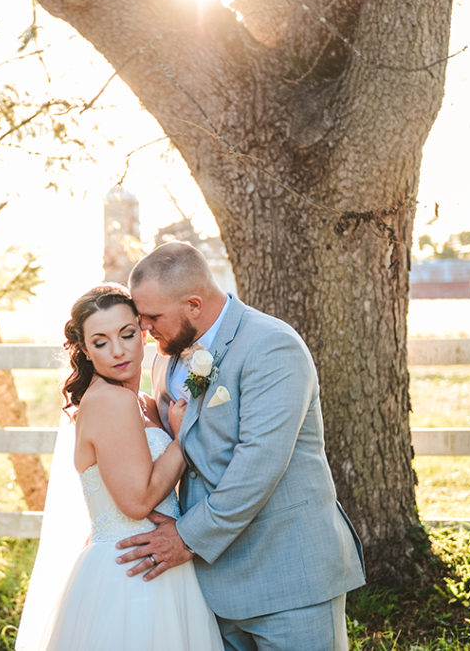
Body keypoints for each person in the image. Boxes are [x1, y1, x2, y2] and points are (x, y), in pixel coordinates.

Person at [117, 241, 366, 651]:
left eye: (152, 317)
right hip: (210, 586)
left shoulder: (271, 346)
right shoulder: (167, 355)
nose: (144, 329)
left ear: (193, 305)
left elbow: (259, 464)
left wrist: (185, 538)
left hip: (287, 577)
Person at [16, 283, 223, 650]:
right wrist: (181, 437)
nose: (117, 351)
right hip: (131, 574)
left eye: (127, 334)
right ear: (84, 350)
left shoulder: (142, 401)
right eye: (100, 342)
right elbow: (138, 502)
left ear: (143, 333)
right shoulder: (110, 401)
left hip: (161, 562)